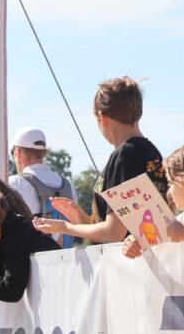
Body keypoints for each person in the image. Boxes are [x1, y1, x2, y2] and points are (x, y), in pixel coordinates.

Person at [34, 76, 167, 244]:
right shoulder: (150, 151)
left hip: (130, 265)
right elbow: (133, 224)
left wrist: (65, 227)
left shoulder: (126, 156)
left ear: (102, 117)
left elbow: (113, 234)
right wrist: (80, 218)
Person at [8, 126, 78, 246]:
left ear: (18, 152)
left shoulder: (14, 183)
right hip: (69, 260)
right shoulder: (68, 185)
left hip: (32, 262)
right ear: (44, 153)